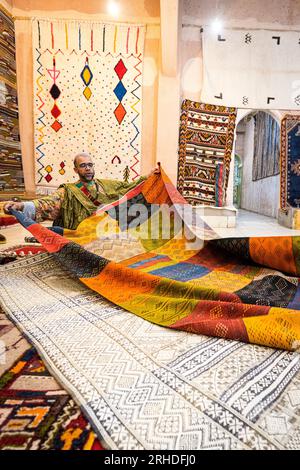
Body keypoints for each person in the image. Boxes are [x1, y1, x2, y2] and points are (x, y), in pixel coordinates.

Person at [4, 153, 160, 230]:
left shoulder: (106, 184)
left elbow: (129, 188)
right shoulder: (69, 191)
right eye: (83, 165)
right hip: (80, 236)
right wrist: (21, 206)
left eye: (90, 165)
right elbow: (47, 203)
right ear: (76, 169)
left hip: (103, 233)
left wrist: (150, 176)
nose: (88, 169)